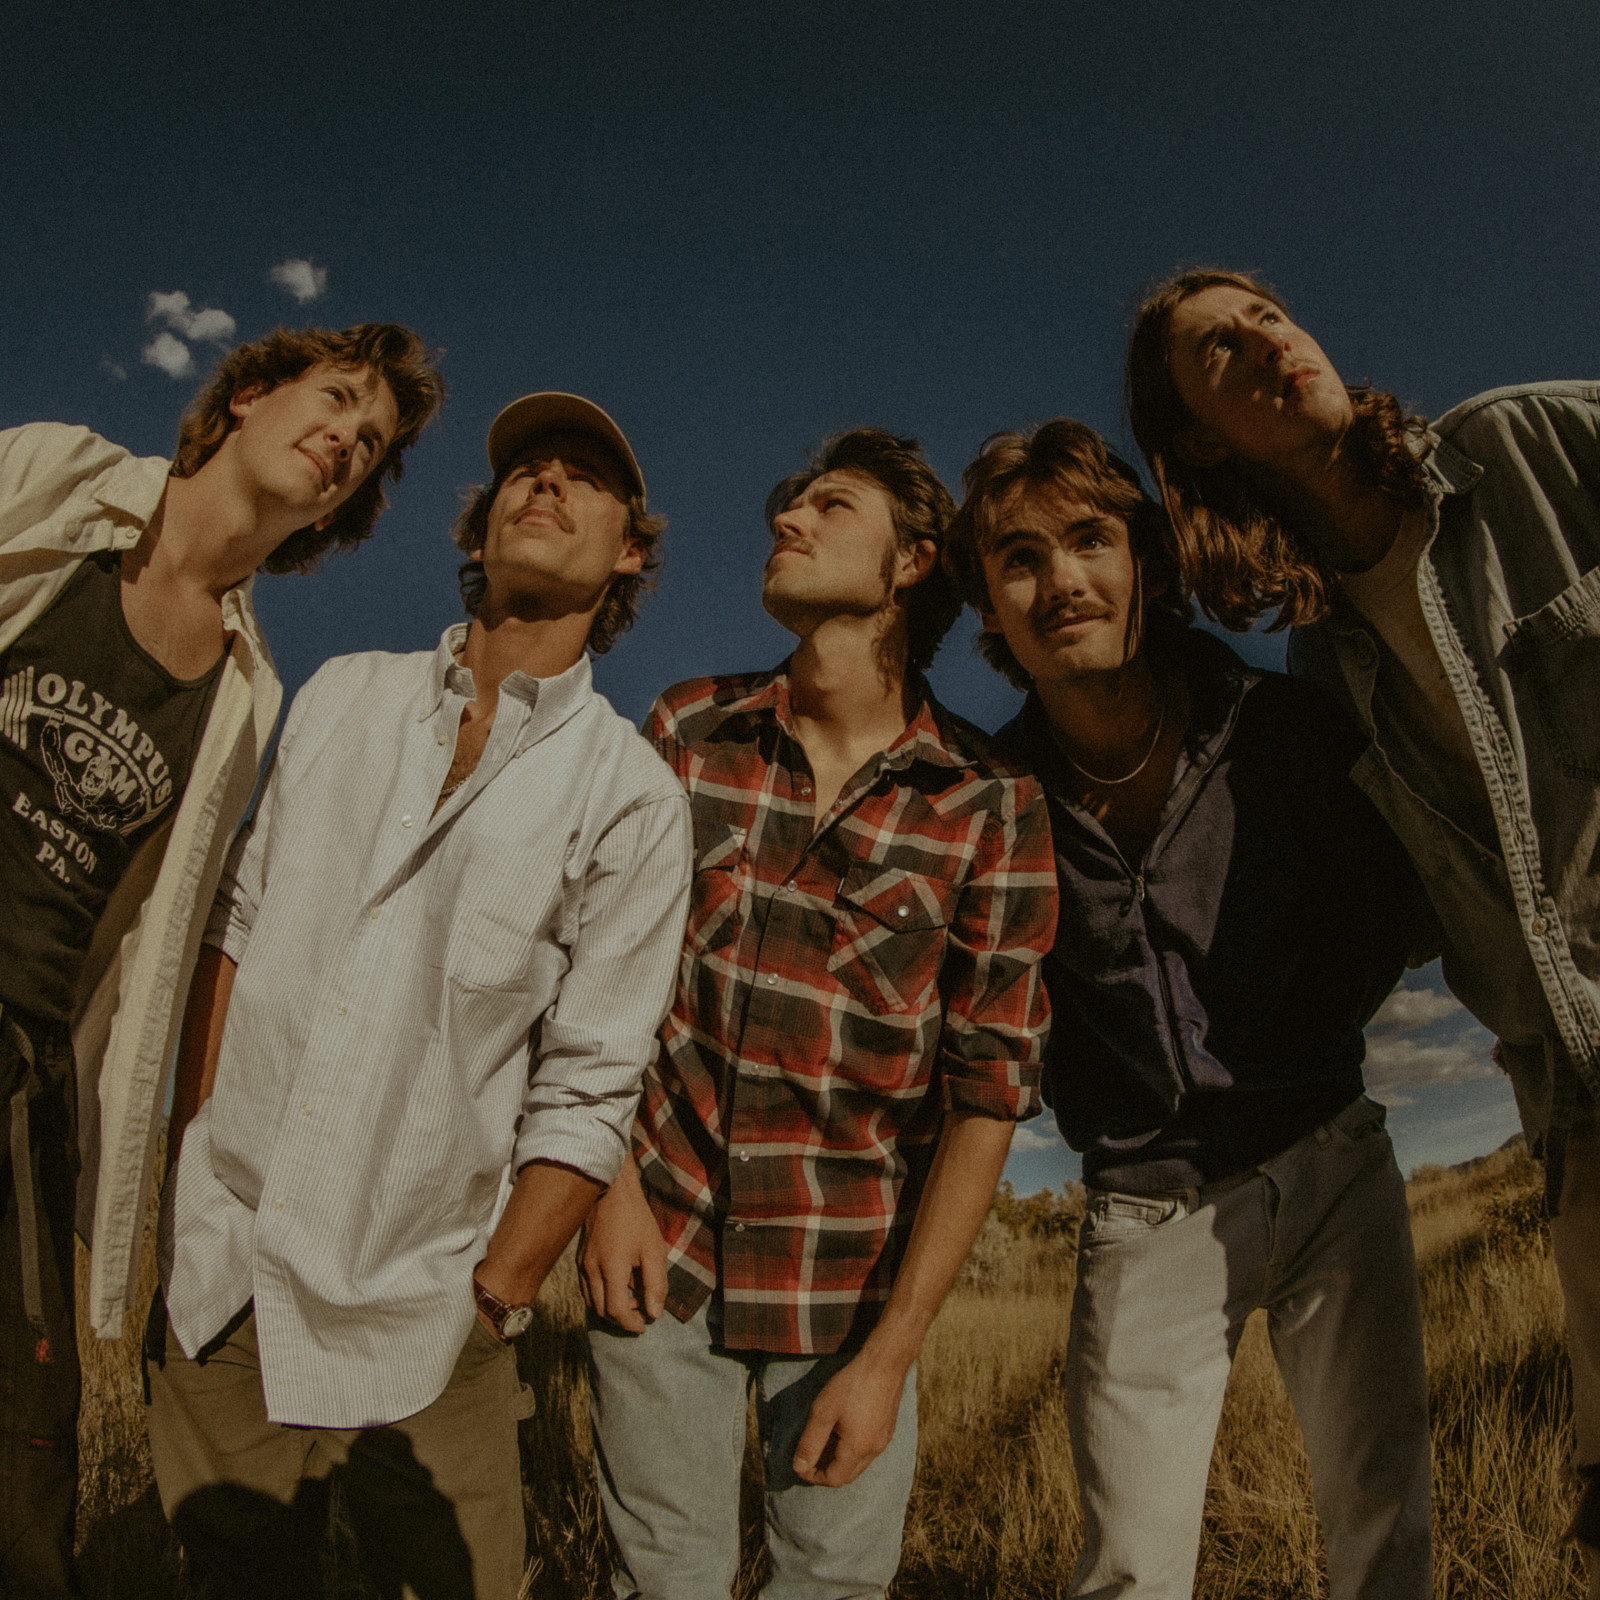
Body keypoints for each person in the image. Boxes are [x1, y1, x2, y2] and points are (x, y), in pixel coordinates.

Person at [145, 392, 693, 1600]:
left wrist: (490, 1300)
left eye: (584, 477)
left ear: (631, 550)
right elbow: (233, 932)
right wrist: (195, 1153)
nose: (543, 482)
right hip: (231, 1263)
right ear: (482, 525)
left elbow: (590, 1083)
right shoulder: (344, 692)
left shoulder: (632, 797)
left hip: (427, 1308)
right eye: (524, 470)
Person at [1126, 266, 1600, 1581]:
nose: (1264, 337)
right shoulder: (1329, 677)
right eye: (1216, 350)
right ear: (1199, 445)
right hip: (1581, 1114)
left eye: (1267, 312)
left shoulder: (1534, 446)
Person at [943, 417, 1435, 1598]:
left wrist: (1292, 1033)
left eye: (1088, 539)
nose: (1060, 579)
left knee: (1380, 1513)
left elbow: (1393, 914)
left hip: (1327, 1162)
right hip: (1144, 1207)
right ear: (993, 613)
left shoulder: (1276, 730)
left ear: (1143, 563)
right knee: (1127, 1566)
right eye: (1019, 558)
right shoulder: (997, 805)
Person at [0, 321, 440, 1599]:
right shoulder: (61, 484)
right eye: (336, 401)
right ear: (245, 396)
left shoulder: (248, 691)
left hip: (24, 1069)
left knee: (26, 1480)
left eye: (371, 444)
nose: (350, 442)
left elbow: (150, 945)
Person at [579, 428, 1056, 1600]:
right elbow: (588, 975)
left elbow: (988, 1095)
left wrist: (891, 1351)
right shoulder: (687, 733)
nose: (784, 520)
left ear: (909, 563)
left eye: (826, 506)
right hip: (661, 1248)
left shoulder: (990, 804)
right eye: (786, 505)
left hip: (847, 1290)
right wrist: (609, 1187)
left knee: (831, 1590)